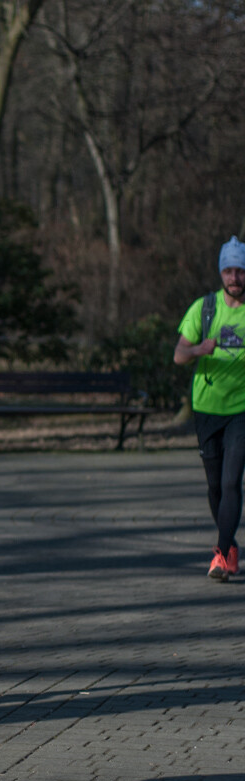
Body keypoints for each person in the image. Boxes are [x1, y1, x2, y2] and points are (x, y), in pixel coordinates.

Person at [175, 235, 245, 580]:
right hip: (206, 408)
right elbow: (178, 354)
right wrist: (200, 350)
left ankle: (220, 554)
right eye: (229, 271)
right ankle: (231, 546)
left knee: (232, 482)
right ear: (221, 273)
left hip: (241, 411)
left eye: (241, 271)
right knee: (215, 486)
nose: (235, 278)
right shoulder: (204, 309)